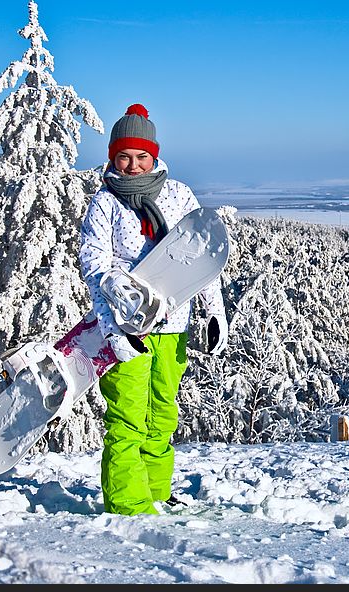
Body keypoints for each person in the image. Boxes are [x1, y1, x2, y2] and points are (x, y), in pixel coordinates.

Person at [79, 103, 228, 516]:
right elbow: (94, 265)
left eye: (140, 156)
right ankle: (129, 504)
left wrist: (214, 312)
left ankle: (157, 493)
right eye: (123, 157)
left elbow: (201, 259)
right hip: (125, 328)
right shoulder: (105, 203)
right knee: (128, 418)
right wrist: (113, 320)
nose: (132, 165)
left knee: (162, 414)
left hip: (174, 324)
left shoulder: (179, 195)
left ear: (154, 155)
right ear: (112, 157)